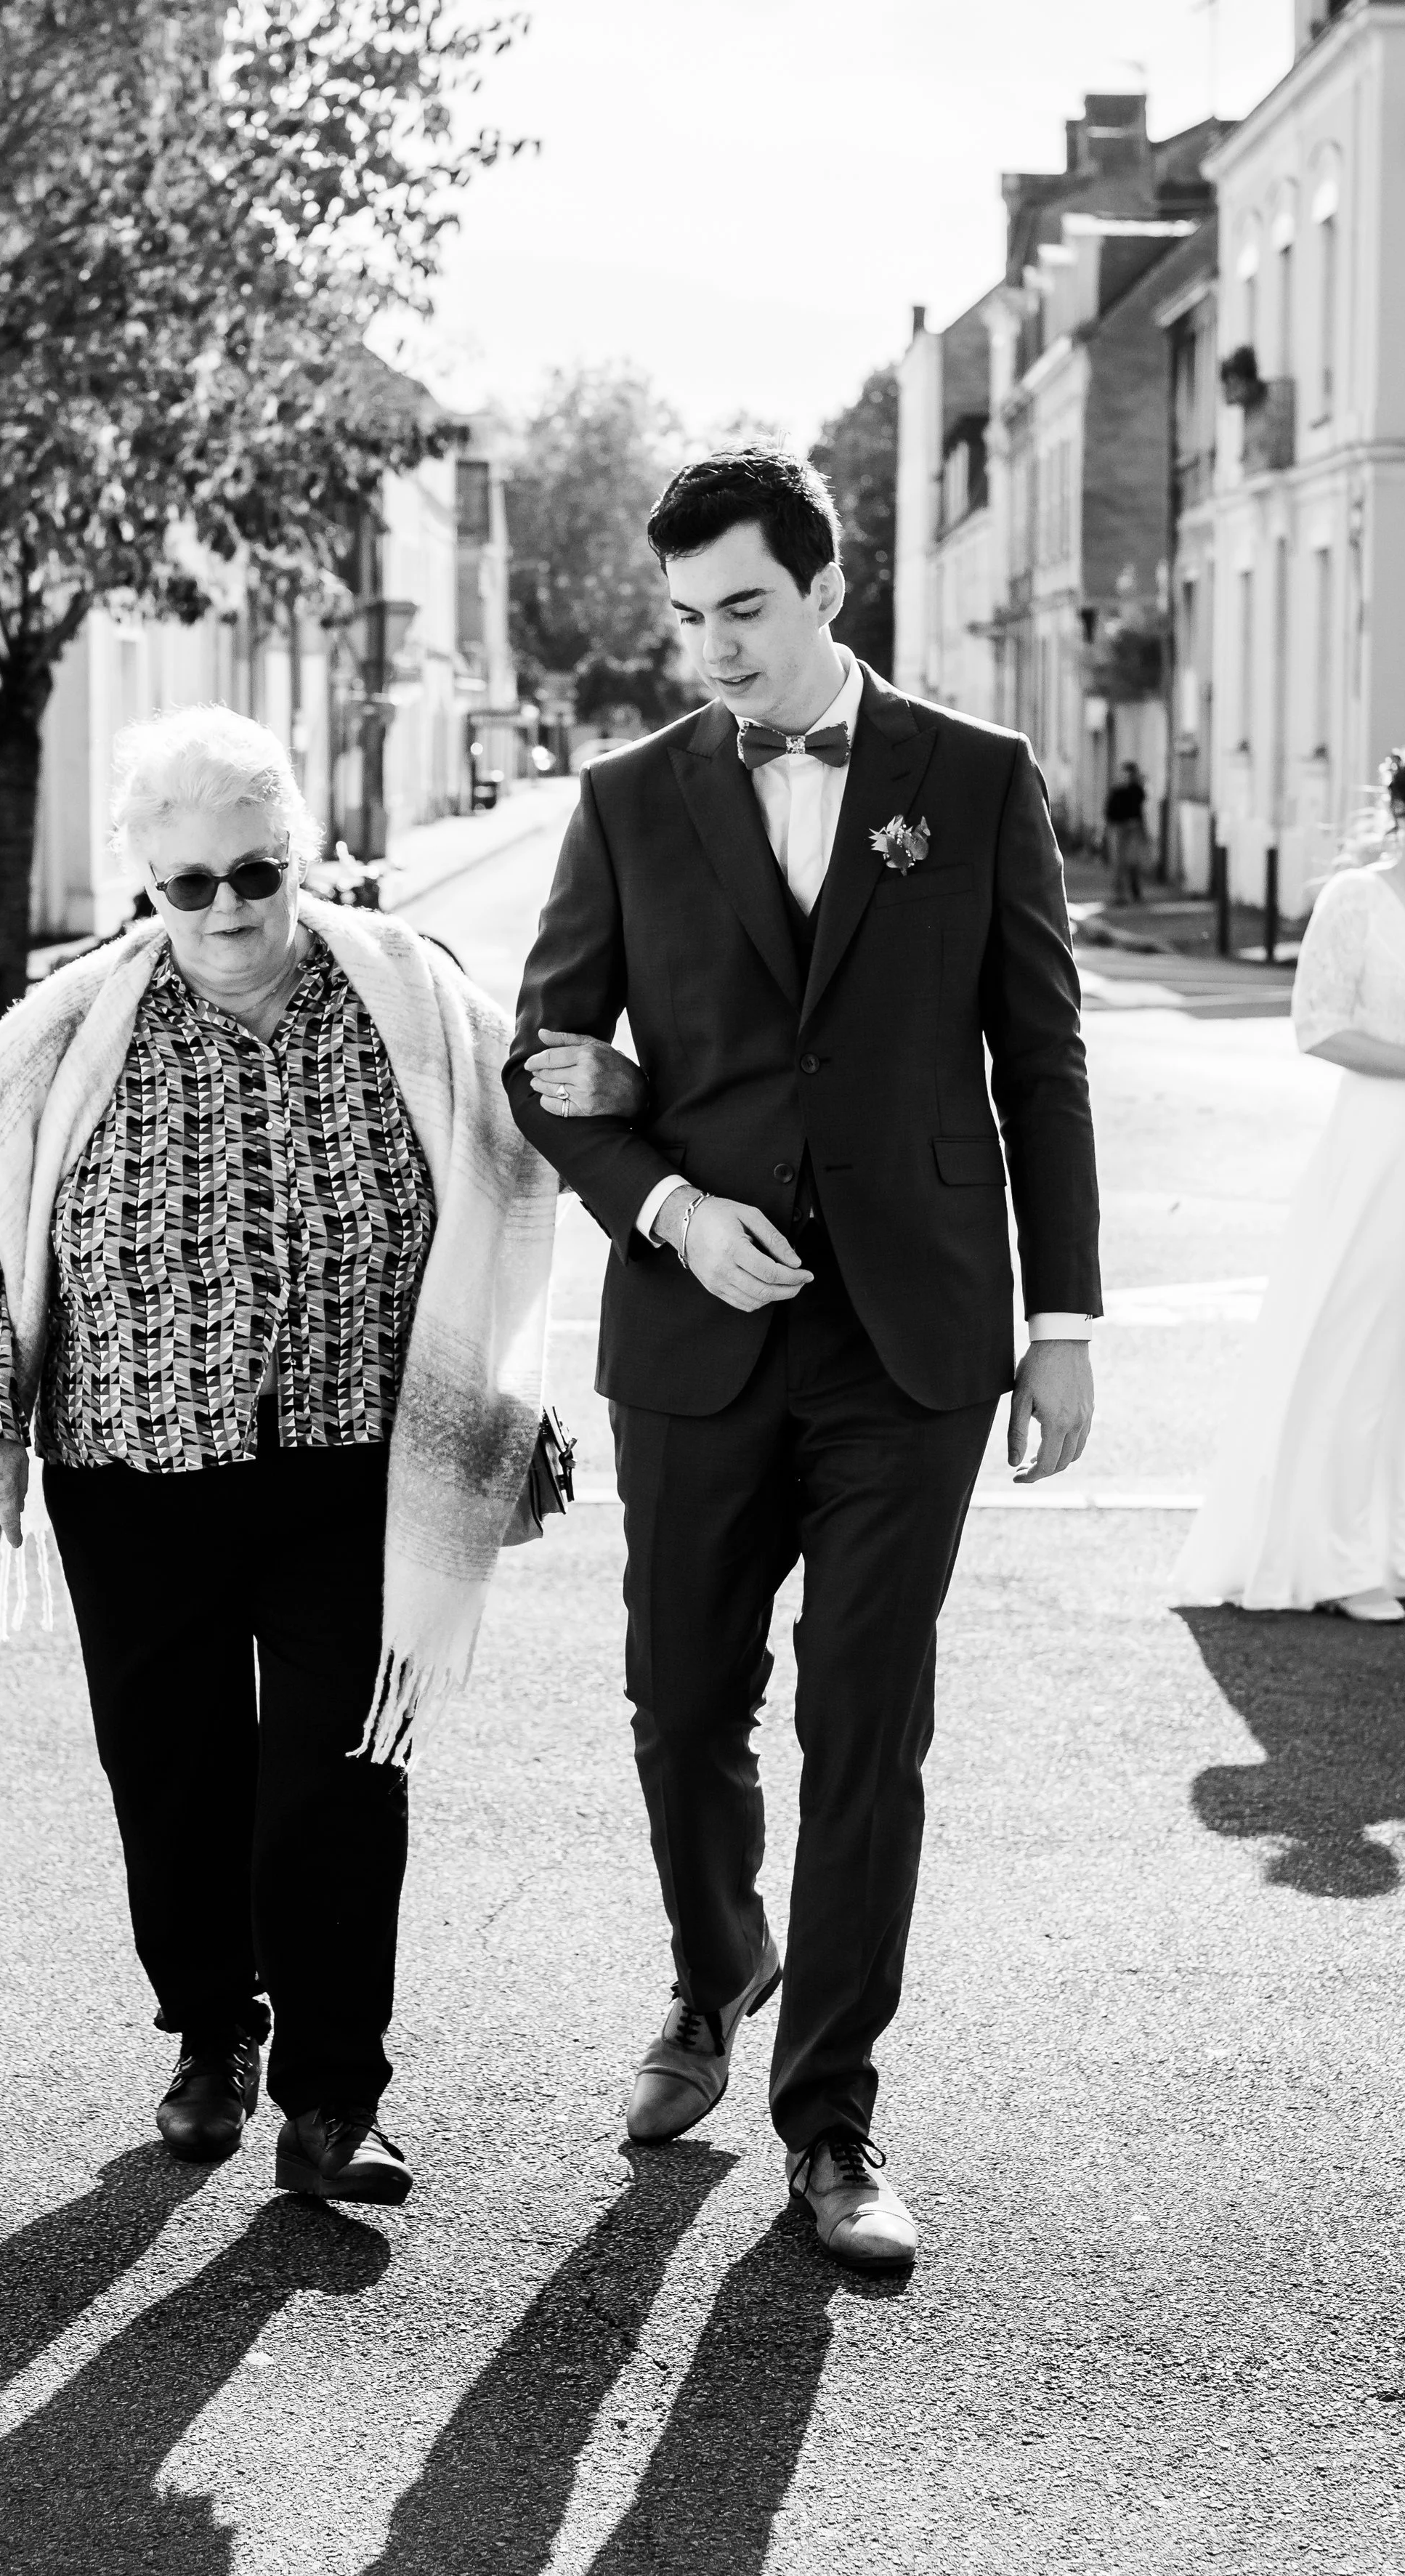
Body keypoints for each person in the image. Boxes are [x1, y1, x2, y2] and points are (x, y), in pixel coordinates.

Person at [0, 706, 555, 2202]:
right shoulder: (75, 1025)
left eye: (255, 873)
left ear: (299, 855)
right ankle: (213, 2030)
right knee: (173, 1772)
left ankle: (334, 2099)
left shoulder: (406, 995)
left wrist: (511, 1397)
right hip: (132, 1471)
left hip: (349, 1462)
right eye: (188, 883)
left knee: (341, 1773)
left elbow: (518, 1155)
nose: (227, 909)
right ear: (149, 884)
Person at [505, 448, 1100, 2269]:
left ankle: (829, 2119)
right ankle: (716, 1968)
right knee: (681, 1703)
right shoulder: (625, 799)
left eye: (744, 609)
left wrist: (1062, 1325)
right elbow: (548, 1070)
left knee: (865, 1724)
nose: (713, 649)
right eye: (686, 618)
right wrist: (668, 1208)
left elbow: (1040, 1064)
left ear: (828, 589)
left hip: (912, 1339)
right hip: (696, 1330)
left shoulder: (974, 779)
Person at [1171, 742, 1405, 1621]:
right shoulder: (1356, 898)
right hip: (1383, 1140)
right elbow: (1317, 1025)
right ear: (1404, 815)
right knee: (1358, 1343)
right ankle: (1336, 1557)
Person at [1104, 761, 1150, 903]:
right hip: (1119, 828)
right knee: (1119, 863)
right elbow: (1109, 811)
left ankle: (1135, 893)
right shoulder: (1117, 790)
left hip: (1134, 827)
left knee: (1134, 862)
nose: (1128, 777)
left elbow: (1141, 804)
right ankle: (1119, 895)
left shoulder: (1137, 790)